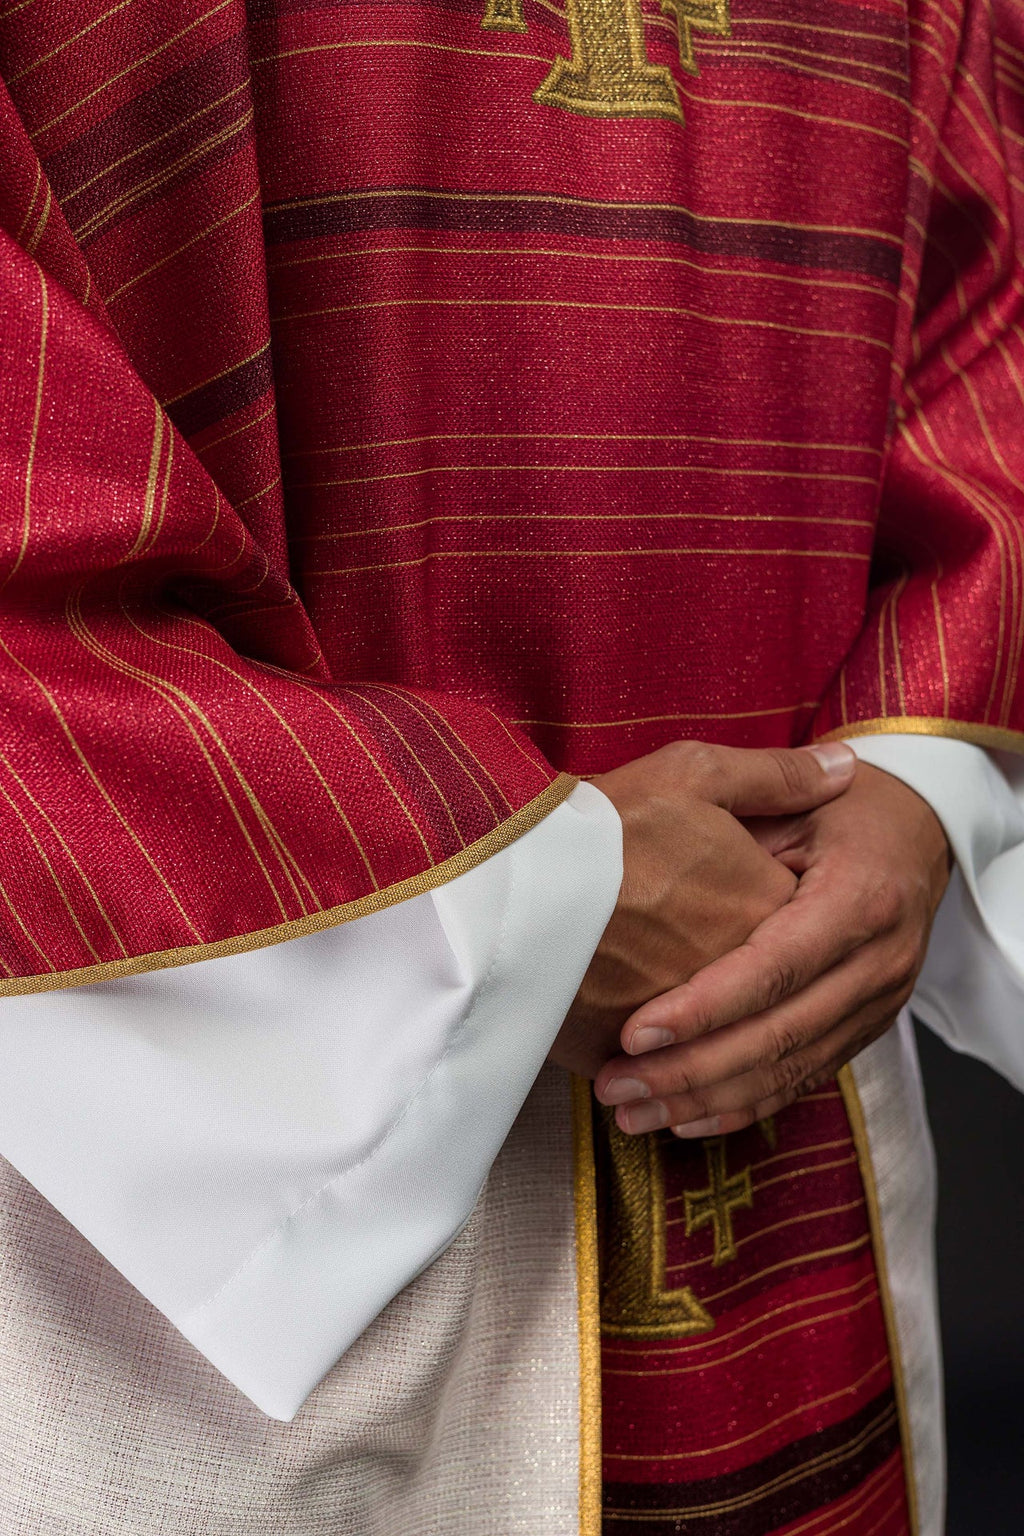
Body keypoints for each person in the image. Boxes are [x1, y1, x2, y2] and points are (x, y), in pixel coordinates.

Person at [0, 1, 1022, 1532]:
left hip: (803, 1058)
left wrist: (920, 784)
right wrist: (525, 893)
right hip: (233, 1125)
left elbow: (988, 300)